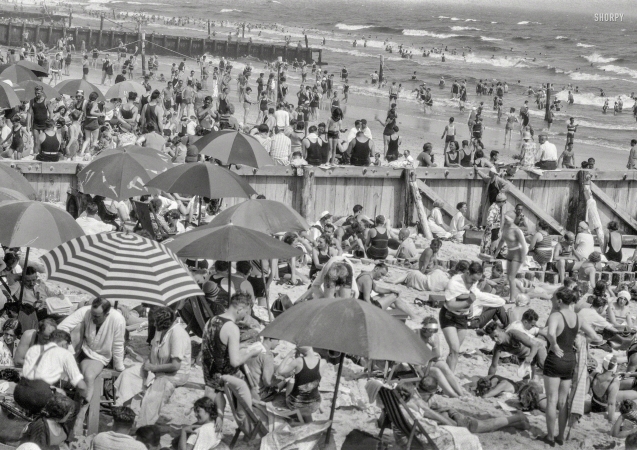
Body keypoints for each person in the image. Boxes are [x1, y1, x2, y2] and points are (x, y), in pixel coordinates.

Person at [58, 297, 126, 435]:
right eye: (92, 315)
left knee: (89, 376)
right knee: (76, 326)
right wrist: (70, 351)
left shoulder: (117, 319)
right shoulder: (86, 311)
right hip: (81, 348)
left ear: (107, 314)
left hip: (99, 355)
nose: (93, 318)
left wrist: (119, 368)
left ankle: (80, 414)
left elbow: (118, 345)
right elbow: (62, 327)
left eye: (97, 316)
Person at [114, 307, 191, 426]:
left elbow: (175, 366)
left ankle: (144, 426)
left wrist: (153, 369)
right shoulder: (159, 330)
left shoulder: (178, 334)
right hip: (156, 367)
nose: (153, 324)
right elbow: (153, 352)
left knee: (150, 399)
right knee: (128, 375)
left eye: (155, 322)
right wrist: (147, 366)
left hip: (173, 375)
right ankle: (125, 415)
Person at [201, 293, 261, 431]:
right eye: (246, 312)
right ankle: (251, 425)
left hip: (209, 376)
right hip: (225, 378)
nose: (245, 316)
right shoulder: (232, 328)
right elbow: (235, 362)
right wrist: (252, 352)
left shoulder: (211, 320)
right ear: (240, 309)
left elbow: (213, 349)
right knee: (253, 385)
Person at [441, 262, 508, 372]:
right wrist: (468, 302)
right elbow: (450, 305)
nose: (474, 282)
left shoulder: (473, 283)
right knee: (454, 349)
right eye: (473, 280)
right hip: (449, 316)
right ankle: (449, 375)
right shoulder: (454, 283)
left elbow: (478, 294)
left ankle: (449, 373)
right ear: (467, 273)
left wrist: (499, 300)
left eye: (476, 281)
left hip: (462, 318)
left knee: (455, 351)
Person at [15, 329, 89, 414]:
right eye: (67, 347)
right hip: (38, 395)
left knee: (56, 391)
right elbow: (81, 386)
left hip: (19, 393)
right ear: (63, 344)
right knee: (69, 405)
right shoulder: (64, 354)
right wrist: (85, 398)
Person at [542, 288, 580, 446]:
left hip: (555, 359)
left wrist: (554, 344)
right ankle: (561, 436)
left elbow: (551, 332)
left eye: (553, 297)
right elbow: (591, 335)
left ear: (559, 301)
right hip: (570, 359)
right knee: (563, 401)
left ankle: (550, 437)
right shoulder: (576, 316)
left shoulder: (556, 315)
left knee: (552, 400)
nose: (551, 299)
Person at [485, 310, 546, 376]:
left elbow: (534, 346)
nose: (495, 340)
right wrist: (489, 378)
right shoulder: (498, 347)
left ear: (502, 331)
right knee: (526, 379)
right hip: (523, 358)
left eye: (496, 336)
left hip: (537, 349)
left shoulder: (513, 334)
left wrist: (530, 356)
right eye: (492, 338)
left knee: (543, 365)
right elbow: (493, 366)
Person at [418, 317, 466, 397]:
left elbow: (436, 357)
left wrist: (434, 347)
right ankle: (452, 394)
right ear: (425, 329)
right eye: (431, 331)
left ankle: (461, 393)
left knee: (443, 365)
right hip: (418, 365)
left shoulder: (434, 336)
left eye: (435, 331)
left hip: (428, 362)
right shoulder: (417, 335)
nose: (433, 333)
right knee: (436, 371)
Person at [276, 346, 324, 423]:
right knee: (311, 386)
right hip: (315, 404)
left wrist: (288, 356)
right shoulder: (322, 362)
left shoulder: (298, 361)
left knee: (291, 381)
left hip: (296, 405)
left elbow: (280, 371)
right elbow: (312, 378)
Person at [591, 355, 637, 423]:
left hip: (595, 404)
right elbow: (611, 404)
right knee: (632, 393)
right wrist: (611, 421)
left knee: (614, 391)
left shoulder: (593, 375)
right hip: (605, 406)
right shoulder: (614, 382)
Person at [495, 212, 528, 303]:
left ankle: (512, 299)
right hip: (510, 253)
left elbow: (524, 245)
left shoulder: (516, 230)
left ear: (512, 220)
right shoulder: (505, 227)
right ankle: (522, 290)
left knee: (511, 277)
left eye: (507, 219)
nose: (505, 221)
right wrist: (496, 253)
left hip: (518, 253)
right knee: (509, 277)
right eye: (505, 219)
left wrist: (524, 258)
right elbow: (502, 240)